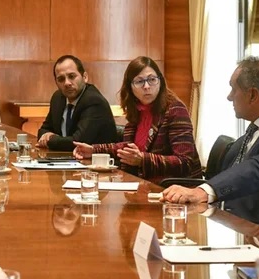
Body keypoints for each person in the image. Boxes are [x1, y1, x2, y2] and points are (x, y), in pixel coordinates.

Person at [162, 56, 259, 225]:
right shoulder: (252, 132)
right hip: (223, 222)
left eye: (233, 89)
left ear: (252, 95)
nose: (229, 97)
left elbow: (257, 170)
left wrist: (202, 192)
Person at [73, 56, 202, 184]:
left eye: (152, 79)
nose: (146, 86)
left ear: (160, 81)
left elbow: (185, 161)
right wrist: (93, 150)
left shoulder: (175, 109)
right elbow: (127, 147)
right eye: (139, 81)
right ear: (130, 87)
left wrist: (142, 160)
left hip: (173, 188)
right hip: (143, 185)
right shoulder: (137, 110)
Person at [37, 55, 118, 151]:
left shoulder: (94, 101)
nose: (67, 83)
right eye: (61, 79)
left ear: (85, 77)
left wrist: (50, 139)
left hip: (94, 159)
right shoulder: (58, 98)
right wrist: (46, 135)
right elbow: (43, 131)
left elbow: (78, 142)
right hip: (66, 157)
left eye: (72, 76)